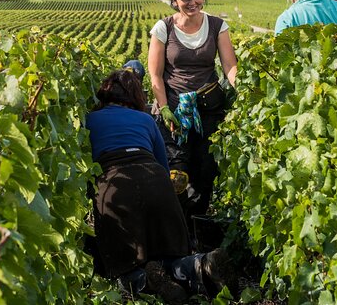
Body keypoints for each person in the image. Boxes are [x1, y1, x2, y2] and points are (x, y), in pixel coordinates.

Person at [85, 70, 237, 303]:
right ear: (135, 95)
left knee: (122, 264)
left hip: (115, 184)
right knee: (168, 253)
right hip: (155, 180)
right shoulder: (146, 119)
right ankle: (199, 265)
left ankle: (145, 280)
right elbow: (164, 168)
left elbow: (83, 170)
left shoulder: (89, 119)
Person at [147, 0, 238, 226]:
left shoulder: (218, 26)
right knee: (177, 174)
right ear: (174, 0)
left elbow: (229, 66)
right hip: (174, 109)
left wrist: (241, 85)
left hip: (208, 110)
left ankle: (197, 228)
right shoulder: (163, 28)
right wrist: (164, 108)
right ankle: (177, 228)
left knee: (205, 171)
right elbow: (155, 75)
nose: (191, 3)